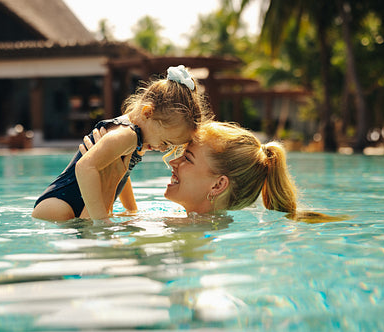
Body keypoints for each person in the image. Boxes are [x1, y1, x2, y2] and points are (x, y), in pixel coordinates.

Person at [32, 65, 208, 221]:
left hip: (67, 205)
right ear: (147, 113)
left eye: (169, 146)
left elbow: (123, 175)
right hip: (59, 206)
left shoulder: (136, 137)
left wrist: (131, 210)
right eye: (165, 141)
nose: (162, 149)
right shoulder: (127, 134)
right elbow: (84, 167)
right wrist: (101, 220)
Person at [164, 121, 346, 222]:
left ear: (218, 185)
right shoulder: (195, 224)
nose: (173, 161)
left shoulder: (196, 233)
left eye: (187, 158)